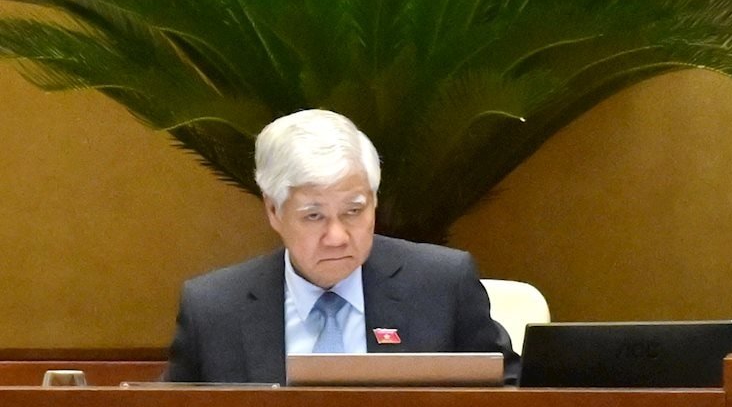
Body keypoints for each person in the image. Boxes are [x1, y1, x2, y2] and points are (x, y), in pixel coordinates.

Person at [164, 108, 517, 383]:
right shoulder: (214, 309)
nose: (337, 237)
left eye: (353, 211)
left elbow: (514, 395)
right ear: (273, 211)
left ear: (374, 202)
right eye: (314, 216)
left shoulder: (442, 285)